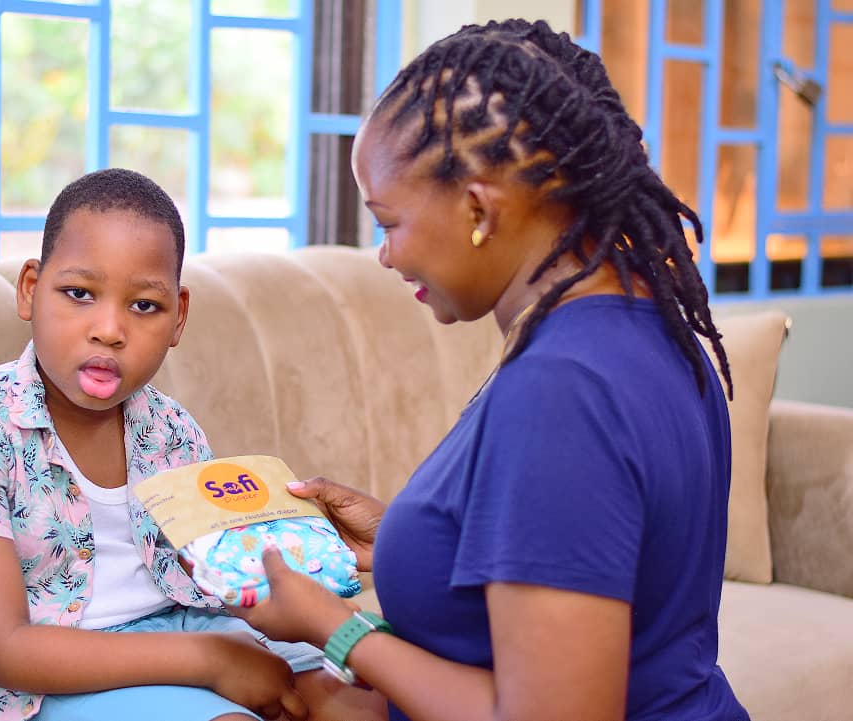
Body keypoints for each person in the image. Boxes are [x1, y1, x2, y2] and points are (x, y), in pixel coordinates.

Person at [235, 18, 750, 721]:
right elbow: (598, 548)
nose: (384, 255)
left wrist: (335, 625)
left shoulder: (561, 391)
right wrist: (415, 537)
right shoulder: (660, 330)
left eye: (388, 223)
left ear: (478, 208)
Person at [0, 168, 386, 721]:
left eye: (143, 306)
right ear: (30, 290)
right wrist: (210, 661)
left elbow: (210, 574)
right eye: (79, 294)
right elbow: (3, 649)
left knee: (362, 700)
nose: (109, 329)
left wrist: (302, 568)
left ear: (178, 316)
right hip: (43, 674)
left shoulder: (172, 429)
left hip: (185, 624)